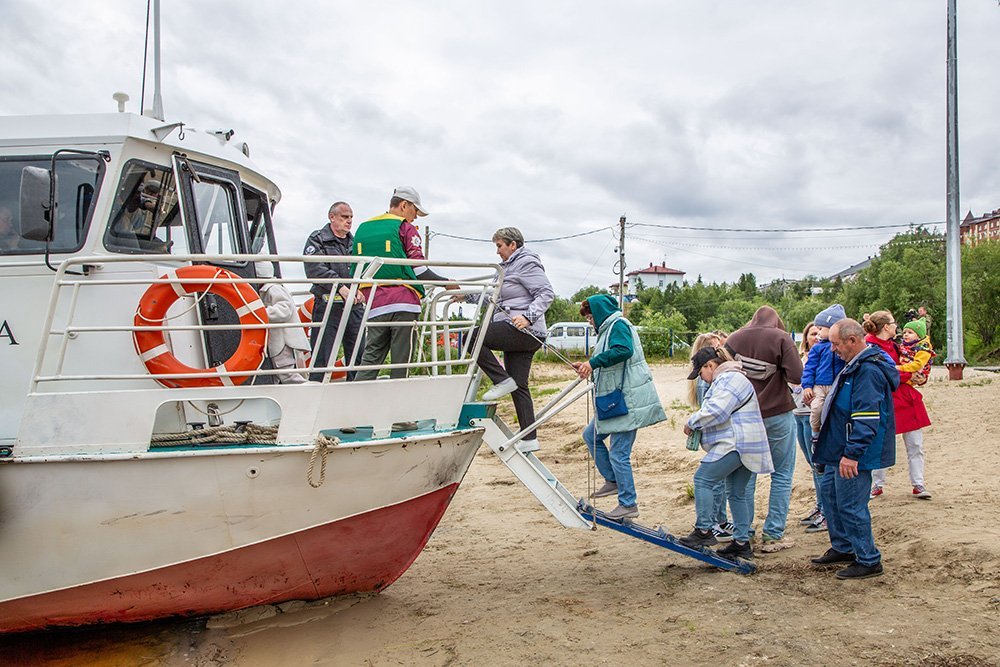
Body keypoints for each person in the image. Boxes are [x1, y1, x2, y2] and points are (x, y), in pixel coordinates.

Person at [810, 319, 898, 579]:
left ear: (852, 341)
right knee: (831, 497)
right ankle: (844, 546)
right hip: (839, 448)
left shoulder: (868, 370)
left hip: (854, 452)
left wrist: (852, 454)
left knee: (851, 504)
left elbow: (867, 418)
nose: (832, 350)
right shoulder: (854, 364)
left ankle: (869, 559)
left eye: (836, 344)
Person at [572, 295, 665, 520]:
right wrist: (588, 367)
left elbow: (623, 350)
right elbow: (609, 360)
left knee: (619, 452)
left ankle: (628, 503)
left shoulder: (619, 325)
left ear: (600, 312)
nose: (589, 322)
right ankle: (612, 480)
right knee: (590, 435)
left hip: (626, 402)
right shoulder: (608, 329)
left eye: (590, 317)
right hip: (614, 402)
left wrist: (592, 363)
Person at [679, 347, 773, 561]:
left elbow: (718, 410)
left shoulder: (729, 378)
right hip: (747, 444)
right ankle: (741, 543)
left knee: (703, 479)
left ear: (710, 366)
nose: (702, 380)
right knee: (737, 493)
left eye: (701, 374)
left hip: (737, 443)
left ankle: (703, 531)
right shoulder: (734, 378)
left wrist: (691, 422)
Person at [352, 186, 455, 381]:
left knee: (371, 358)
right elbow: (419, 270)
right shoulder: (405, 228)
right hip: (403, 303)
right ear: (404, 205)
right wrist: (446, 283)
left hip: (374, 304)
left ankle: (358, 403)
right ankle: (400, 408)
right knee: (402, 362)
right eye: (415, 210)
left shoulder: (363, 228)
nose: (415, 217)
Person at [469, 227, 555, 453]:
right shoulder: (504, 268)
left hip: (524, 329)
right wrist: (464, 294)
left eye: (499, 246)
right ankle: (529, 437)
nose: (497, 251)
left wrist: (528, 317)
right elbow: (492, 296)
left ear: (513, 245)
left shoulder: (526, 263)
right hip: (517, 330)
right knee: (520, 384)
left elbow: (546, 293)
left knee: (474, 337)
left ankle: (501, 381)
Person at [725, 305, 803, 550]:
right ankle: (773, 533)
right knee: (781, 474)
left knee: (746, 477)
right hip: (777, 414)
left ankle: (744, 531)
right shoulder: (781, 338)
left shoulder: (734, 338)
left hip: (745, 417)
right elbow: (797, 376)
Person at [866, 314, 934, 499]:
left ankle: (918, 483)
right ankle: (876, 484)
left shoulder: (897, 346)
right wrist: (909, 376)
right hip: (886, 398)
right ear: (886, 327)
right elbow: (882, 372)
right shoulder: (871, 346)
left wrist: (919, 375)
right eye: (894, 323)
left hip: (906, 398)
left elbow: (914, 365)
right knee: (881, 443)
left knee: (915, 443)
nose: (899, 328)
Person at [303, 201, 366, 382]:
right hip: (328, 304)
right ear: (332, 217)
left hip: (353, 306)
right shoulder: (318, 239)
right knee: (323, 356)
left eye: (351, 217)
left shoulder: (356, 243)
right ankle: (318, 392)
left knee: (358, 355)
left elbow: (363, 268)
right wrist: (340, 287)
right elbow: (314, 269)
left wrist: (361, 288)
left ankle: (357, 394)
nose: (349, 221)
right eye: (344, 217)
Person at [686, 332, 734, 542]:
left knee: (714, 481)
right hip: (721, 439)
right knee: (712, 481)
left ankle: (715, 523)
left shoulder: (714, 379)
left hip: (719, 439)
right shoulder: (711, 381)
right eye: (716, 349)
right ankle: (714, 524)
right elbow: (713, 411)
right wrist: (693, 422)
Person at [792, 321, 826, 533]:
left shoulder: (824, 357)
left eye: (818, 333)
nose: (815, 337)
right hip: (798, 413)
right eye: (812, 334)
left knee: (819, 463)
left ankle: (825, 510)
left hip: (813, 415)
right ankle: (819, 505)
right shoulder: (801, 358)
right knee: (812, 464)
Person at [255, 260, 310, 384]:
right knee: (279, 373)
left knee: (287, 374)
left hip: (284, 342)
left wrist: (261, 313)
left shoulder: (273, 288)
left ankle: (307, 392)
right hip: (279, 341)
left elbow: (285, 309)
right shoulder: (270, 288)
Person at [802, 304, 846, 442]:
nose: (819, 332)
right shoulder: (817, 348)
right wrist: (807, 386)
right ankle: (815, 432)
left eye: (821, 329)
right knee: (816, 408)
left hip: (837, 383)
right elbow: (810, 368)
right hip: (820, 385)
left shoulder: (843, 346)